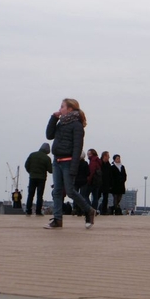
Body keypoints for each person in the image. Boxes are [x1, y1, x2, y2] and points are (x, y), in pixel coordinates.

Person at [44, 98, 96, 229]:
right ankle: (57, 219)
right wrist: (53, 118)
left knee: (71, 191)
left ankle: (89, 211)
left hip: (68, 162)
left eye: (62, 107)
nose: (60, 109)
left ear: (70, 109)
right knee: (56, 191)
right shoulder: (61, 123)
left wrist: (74, 167)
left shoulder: (77, 126)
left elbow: (77, 147)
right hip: (57, 161)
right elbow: (49, 135)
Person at [24, 142, 53, 216]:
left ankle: (28, 210)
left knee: (30, 194)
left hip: (32, 177)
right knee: (40, 195)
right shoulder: (47, 158)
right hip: (42, 179)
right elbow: (50, 170)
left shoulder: (32, 155)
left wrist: (30, 172)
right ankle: (38, 211)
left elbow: (26, 165)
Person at [73, 151, 90, 216]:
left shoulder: (74, 163)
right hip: (83, 181)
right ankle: (81, 209)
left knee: (75, 195)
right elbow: (88, 173)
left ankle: (75, 208)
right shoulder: (85, 163)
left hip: (75, 181)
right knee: (82, 196)